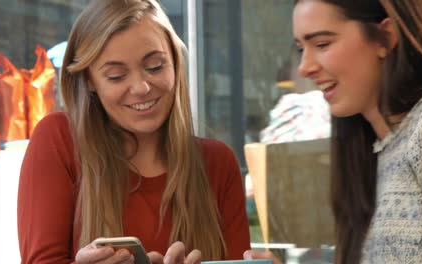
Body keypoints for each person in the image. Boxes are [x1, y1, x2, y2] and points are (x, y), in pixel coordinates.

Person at [17, 0, 250, 263]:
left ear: (175, 63)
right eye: (116, 76)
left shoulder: (218, 163)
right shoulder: (58, 139)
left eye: (155, 67)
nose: (141, 87)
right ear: (89, 80)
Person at [244, 0, 422, 263]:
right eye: (300, 48)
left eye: (321, 44)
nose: (304, 67)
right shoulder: (370, 149)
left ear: (385, 37)